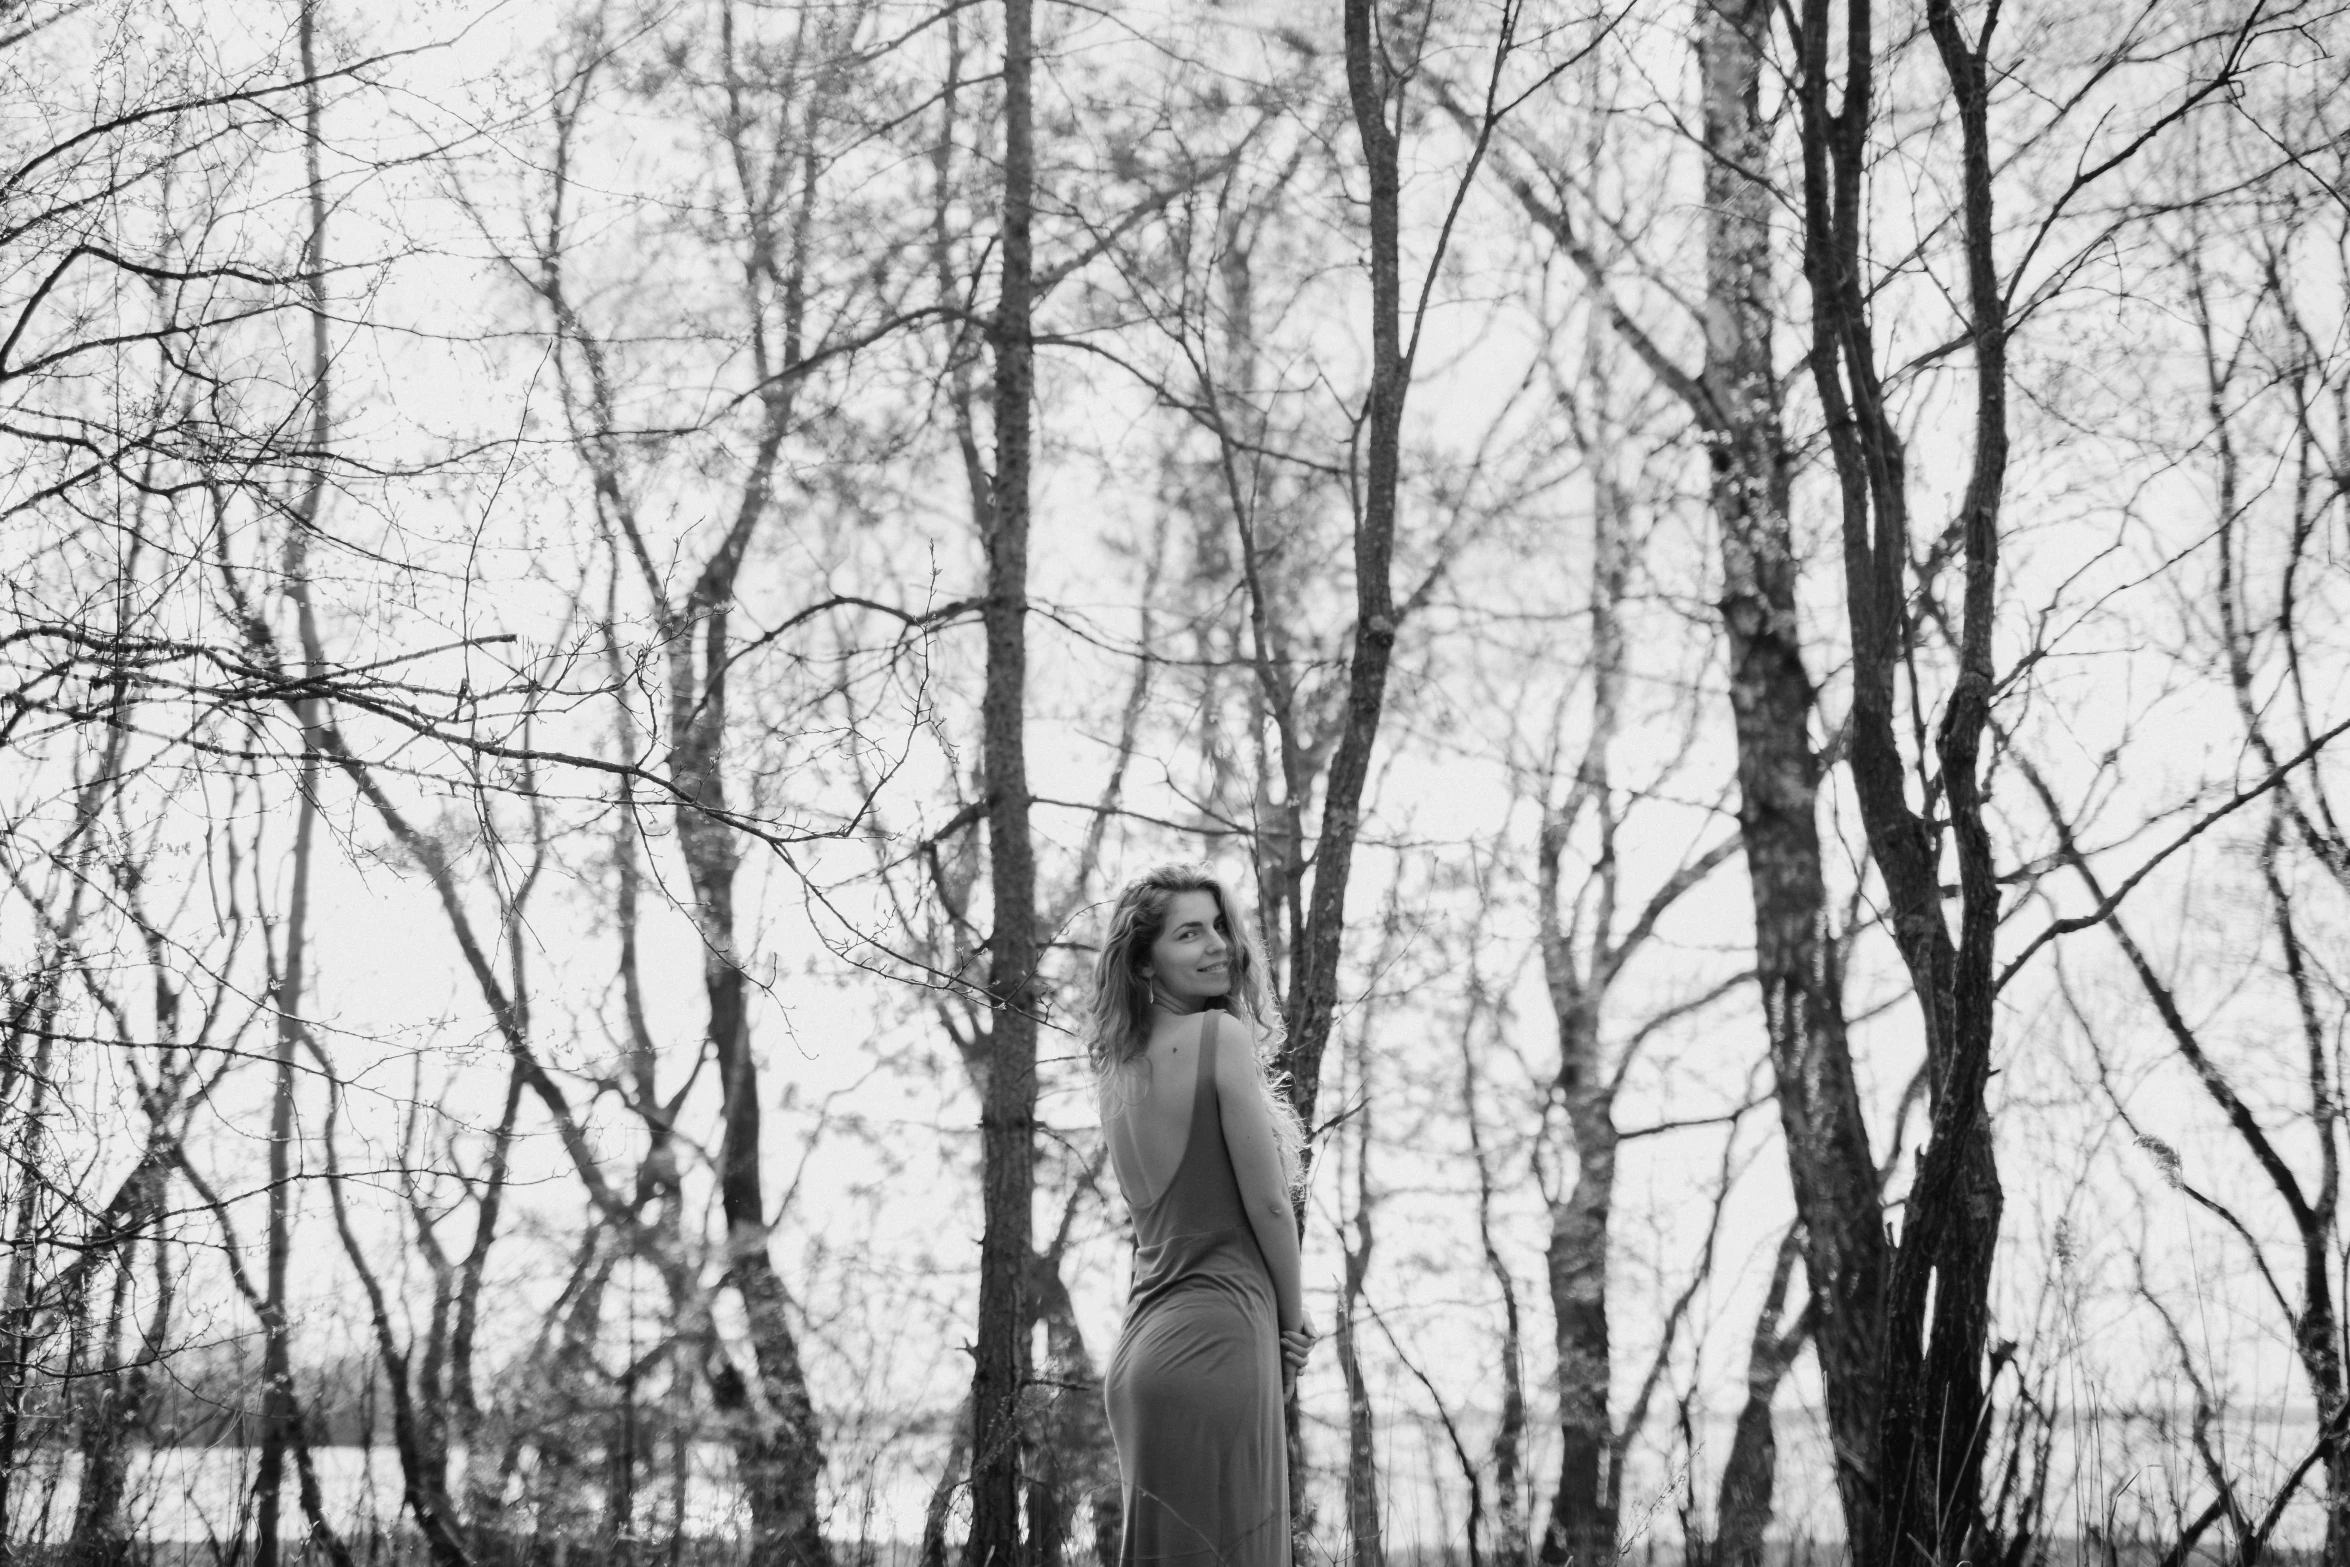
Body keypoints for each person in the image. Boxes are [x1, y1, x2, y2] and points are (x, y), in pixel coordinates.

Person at [1088, 864, 1314, 1567]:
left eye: (1220, 926)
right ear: (1144, 959)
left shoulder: (1117, 1066)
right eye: (1190, 932)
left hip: (1141, 1362)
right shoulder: (1220, 1037)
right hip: (1217, 1341)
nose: (1218, 944)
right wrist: (1294, 1321)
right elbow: (1270, 1203)